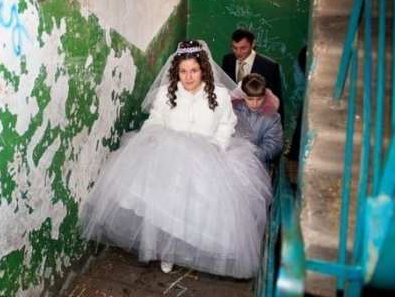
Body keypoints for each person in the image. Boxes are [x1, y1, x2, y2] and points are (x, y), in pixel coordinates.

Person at [80, 40, 272, 279]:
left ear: (203, 69)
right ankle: (166, 251)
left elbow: (227, 123)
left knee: (196, 208)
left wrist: (217, 145)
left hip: (206, 154)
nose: (188, 77)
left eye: (194, 71)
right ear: (176, 71)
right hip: (170, 154)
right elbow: (156, 119)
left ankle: (187, 250)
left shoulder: (220, 95)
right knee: (166, 206)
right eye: (183, 71)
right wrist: (151, 135)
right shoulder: (166, 93)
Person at [222, 28, 284, 122]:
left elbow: (277, 100)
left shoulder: (269, 66)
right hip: (231, 119)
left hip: (258, 121)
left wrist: (279, 125)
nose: (238, 52)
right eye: (234, 48)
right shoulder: (227, 60)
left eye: (243, 48)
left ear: (253, 44)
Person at [233, 73, 283, 166]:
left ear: (265, 96)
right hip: (231, 161)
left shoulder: (272, 117)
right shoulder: (232, 110)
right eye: (250, 99)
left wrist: (254, 155)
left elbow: (274, 144)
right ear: (243, 96)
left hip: (257, 164)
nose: (255, 103)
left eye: (259, 99)